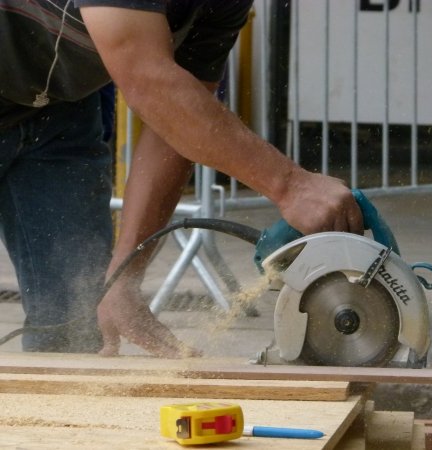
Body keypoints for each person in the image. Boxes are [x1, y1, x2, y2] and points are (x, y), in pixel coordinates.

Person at [0, 0, 364, 358]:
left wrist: (124, 277)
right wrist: (291, 186)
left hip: (58, 113)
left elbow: (173, 127)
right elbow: (149, 81)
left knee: (74, 317)